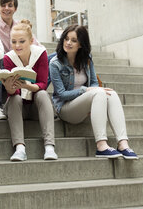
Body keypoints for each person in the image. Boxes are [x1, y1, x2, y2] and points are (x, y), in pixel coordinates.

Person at [49, 25, 138, 159]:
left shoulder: (86, 59)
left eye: (73, 40)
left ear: (81, 44)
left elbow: (94, 84)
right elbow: (61, 94)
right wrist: (86, 91)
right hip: (65, 108)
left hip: (83, 104)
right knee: (98, 92)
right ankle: (101, 146)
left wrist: (92, 93)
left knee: (111, 93)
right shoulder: (55, 63)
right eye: (66, 39)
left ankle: (123, 144)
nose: (68, 43)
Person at [2, 20, 58, 161]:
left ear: (31, 41)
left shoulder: (40, 54)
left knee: (43, 94)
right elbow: (12, 93)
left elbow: (43, 84)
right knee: (14, 98)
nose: (17, 45)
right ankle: (20, 148)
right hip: (17, 107)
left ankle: (49, 147)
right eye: (13, 42)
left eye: (22, 41)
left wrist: (25, 86)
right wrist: (9, 86)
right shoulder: (8, 58)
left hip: (35, 107)